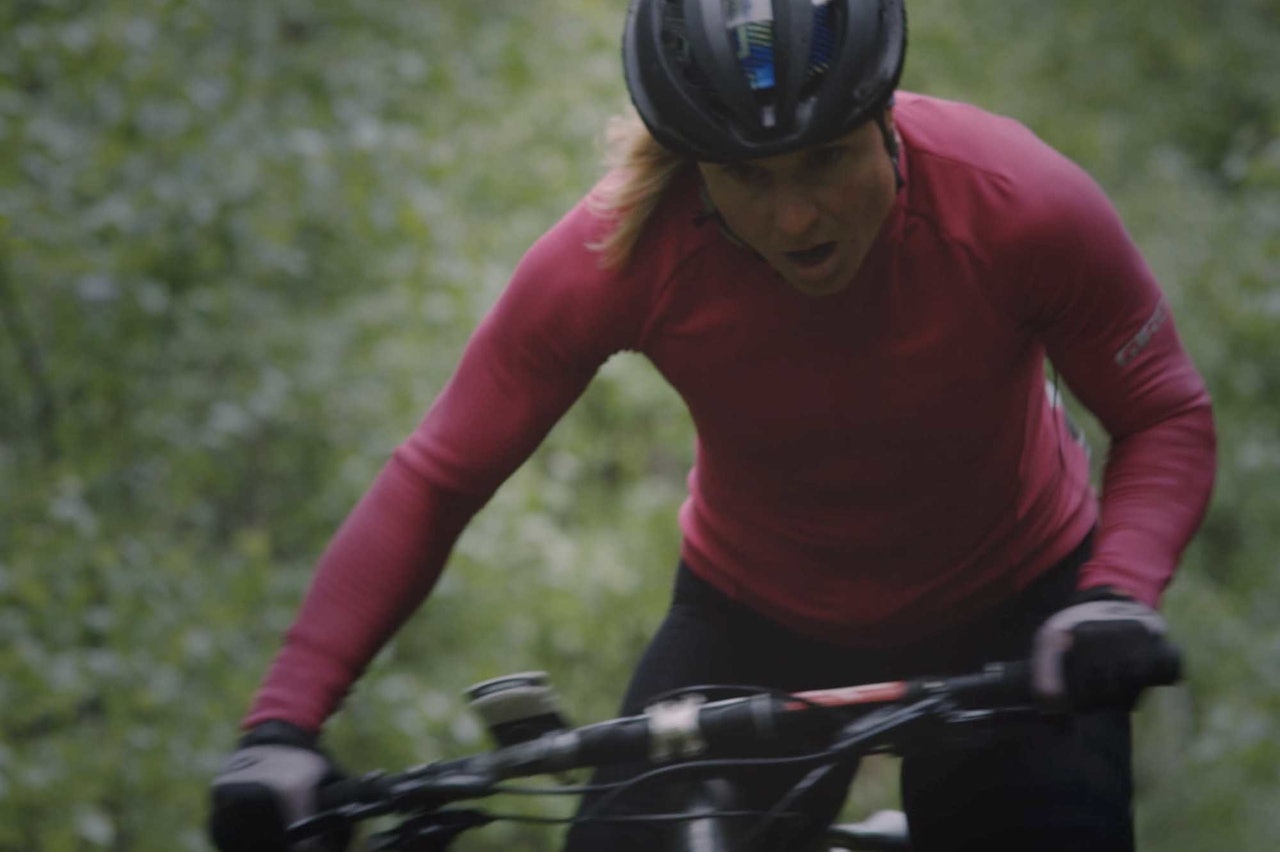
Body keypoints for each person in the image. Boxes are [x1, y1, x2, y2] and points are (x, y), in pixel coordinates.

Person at [208, 1, 1216, 850]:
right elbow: (437, 479)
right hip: (754, 621)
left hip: (1020, 607)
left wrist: (1113, 598)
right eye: (748, 176)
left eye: (823, 158)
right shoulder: (623, 251)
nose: (794, 218)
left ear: (882, 123)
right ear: (694, 169)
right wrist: (283, 724)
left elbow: (1161, 411)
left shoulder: (1016, 206)